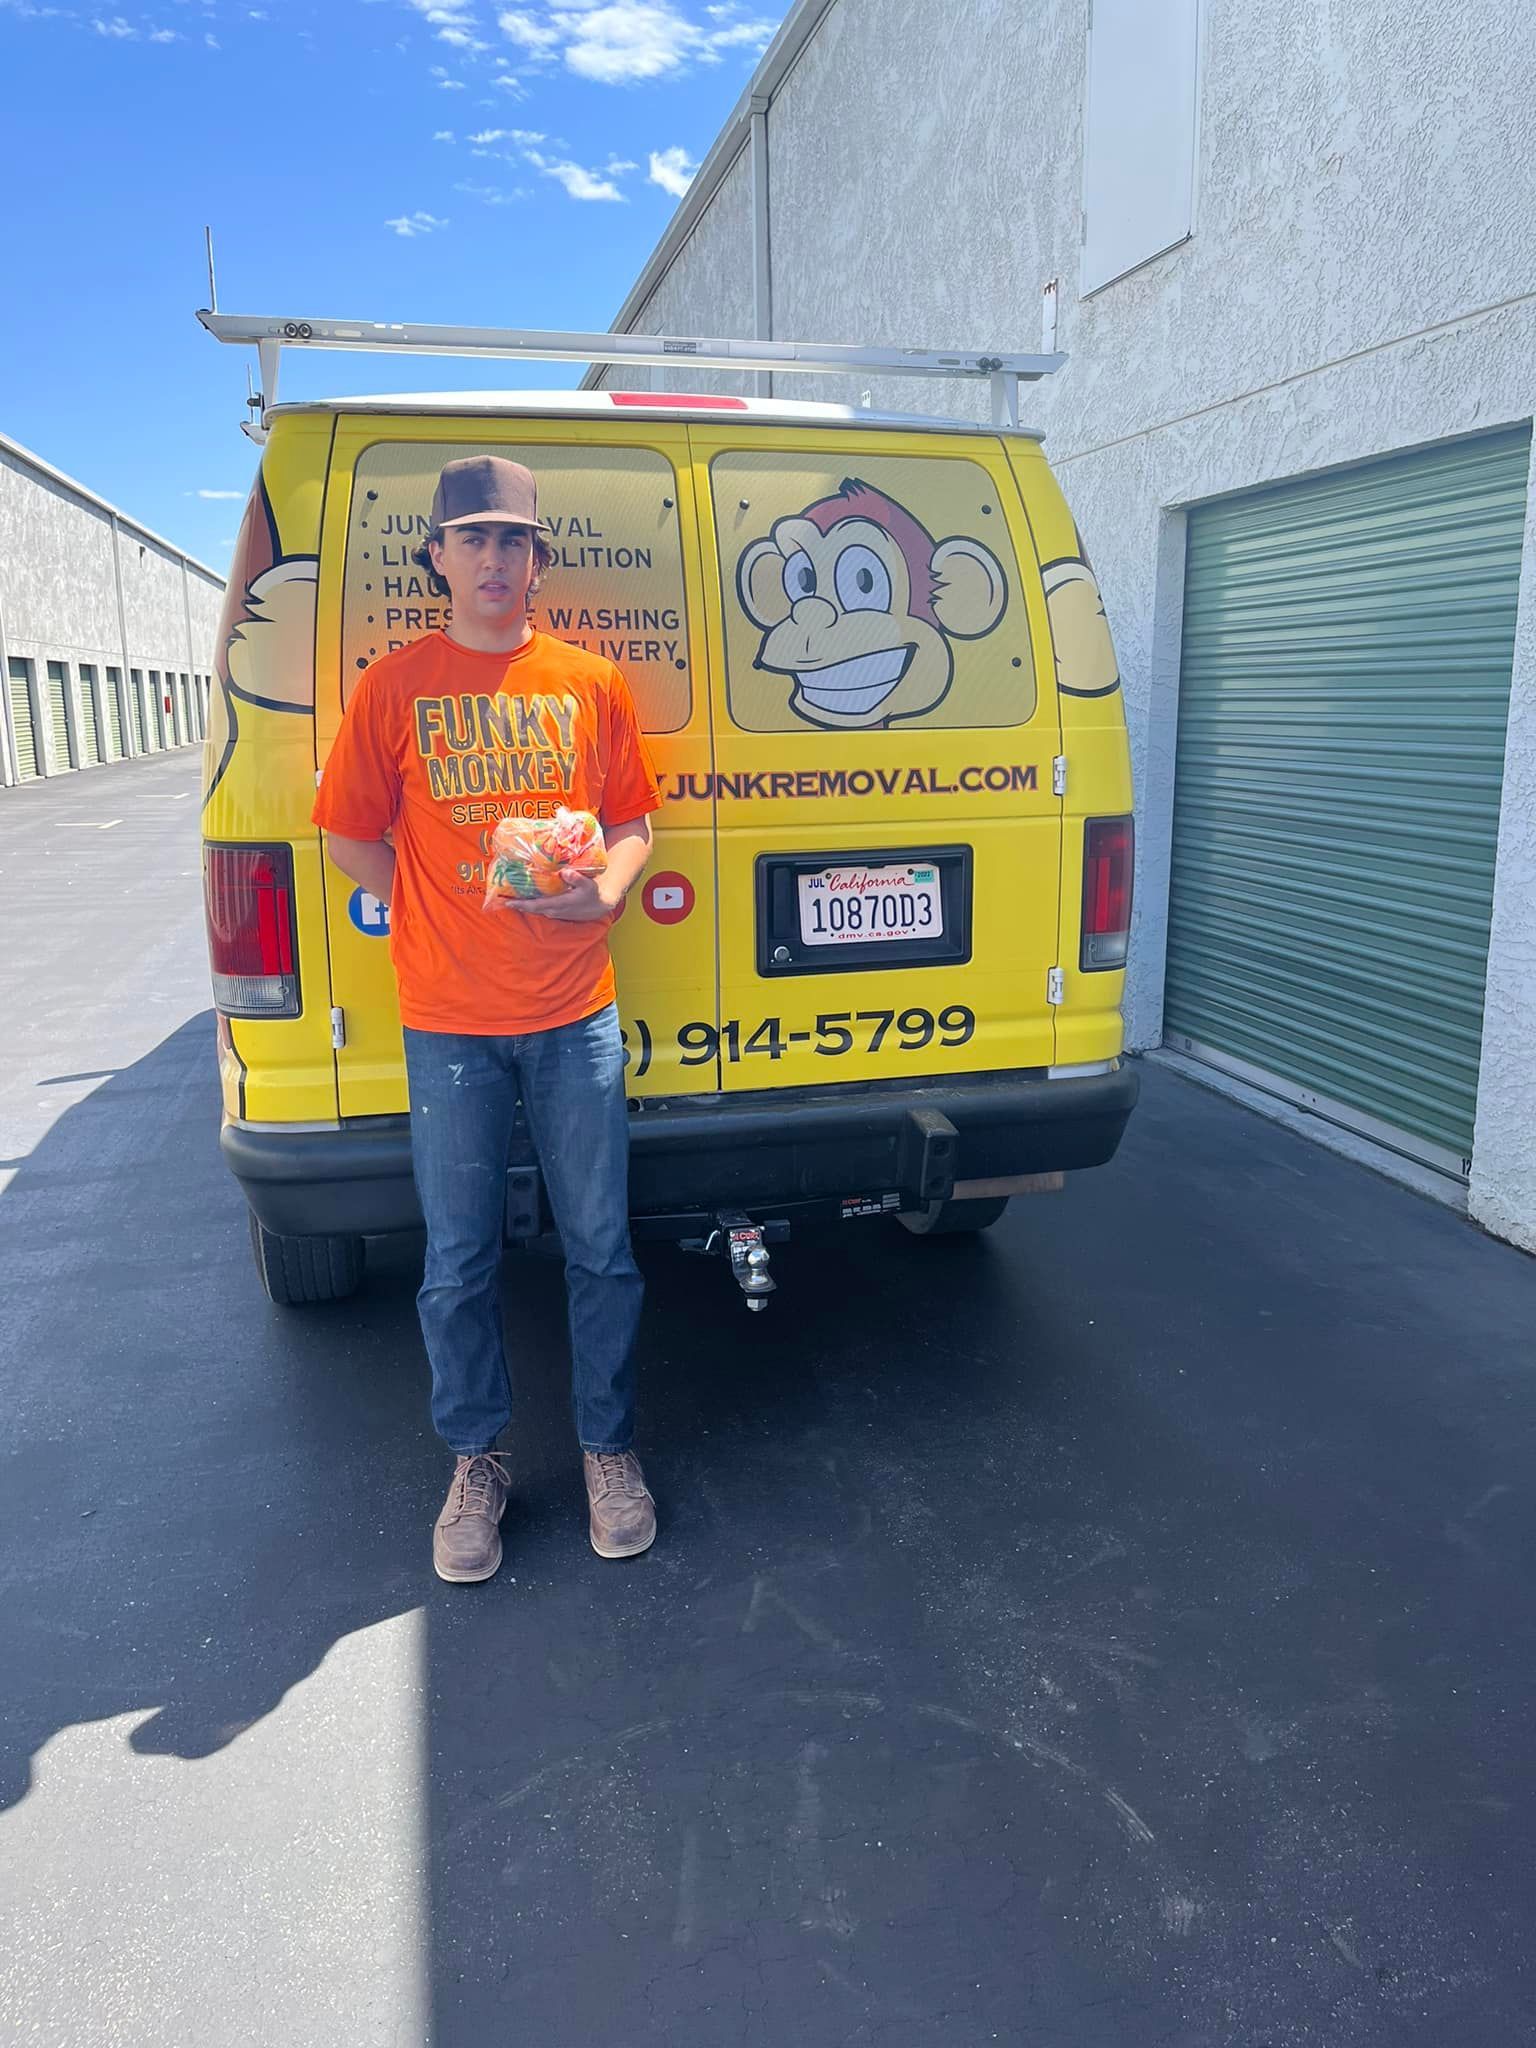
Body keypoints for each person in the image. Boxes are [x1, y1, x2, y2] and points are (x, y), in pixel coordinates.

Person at [314, 455, 663, 1584]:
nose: (494, 558)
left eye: (513, 539)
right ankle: (477, 1460)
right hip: (449, 1018)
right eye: (473, 538)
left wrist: (602, 890)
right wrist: (421, 902)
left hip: (575, 1014)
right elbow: (346, 831)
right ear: (438, 558)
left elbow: (633, 821)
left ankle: (609, 1449)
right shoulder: (394, 684)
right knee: (457, 1260)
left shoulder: (590, 680)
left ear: (538, 559)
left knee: (602, 1248)